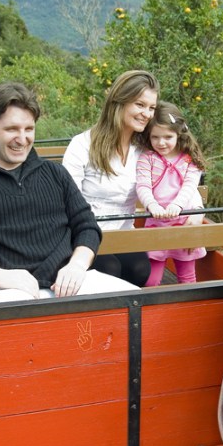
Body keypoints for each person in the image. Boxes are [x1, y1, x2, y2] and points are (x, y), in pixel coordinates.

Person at [0, 82, 139, 304]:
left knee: (139, 304)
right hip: (6, 291)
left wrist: (77, 265)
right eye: (12, 129)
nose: (22, 139)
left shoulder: (55, 173)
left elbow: (86, 224)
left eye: (29, 129)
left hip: (71, 281)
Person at [62, 70, 160, 287]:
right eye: (140, 105)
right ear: (120, 102)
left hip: (123, 232)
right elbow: (67, 200)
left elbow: (173, 179)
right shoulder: (83, 144)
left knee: (140, 269)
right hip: (86, 233)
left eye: (151, 107)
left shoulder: (143, 150)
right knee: (109, 270)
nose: (147, 113)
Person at [135, 102, 207, 286]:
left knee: (187, 277)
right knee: (152, 280)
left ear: (179, 134)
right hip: (157, 222)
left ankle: (188, 312)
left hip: (183, 222)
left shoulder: (188, 159)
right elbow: (143, 186)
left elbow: (190, 186)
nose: (161, 142)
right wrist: (152, 206)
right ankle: (151, 312)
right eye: (155, 137)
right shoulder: (148, 158)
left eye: (168, 136)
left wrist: (177, 206)